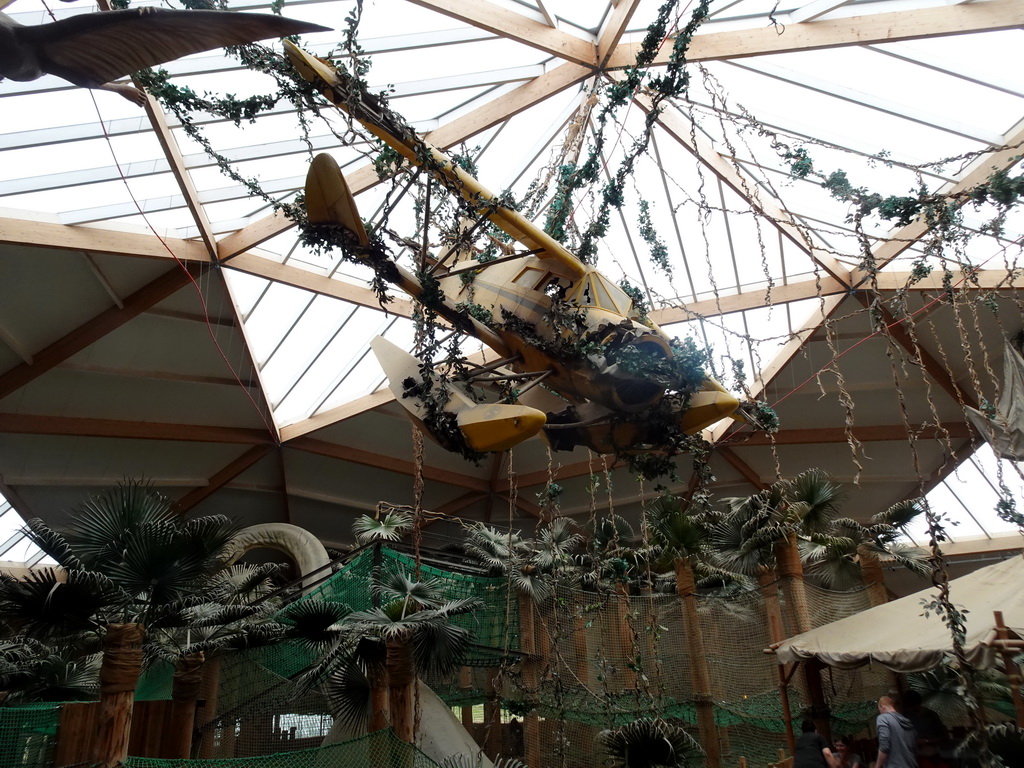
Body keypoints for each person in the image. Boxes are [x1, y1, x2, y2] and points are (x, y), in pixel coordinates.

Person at [901, 690, 948, 768]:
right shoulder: (906, 716)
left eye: (912, 706)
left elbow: (944, 737)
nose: (910, 709)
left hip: (932, 754)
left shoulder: (931, 716)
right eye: (908, 707)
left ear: (917, 704)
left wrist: (927, 741)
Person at [874, 696, 917, 768]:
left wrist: (877, 766)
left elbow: (884, 746)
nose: (880, 712)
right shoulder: (906, 720)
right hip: (912, 764)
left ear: (882, 706)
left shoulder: (883, 718)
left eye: (879, 709)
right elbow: (915, 743)